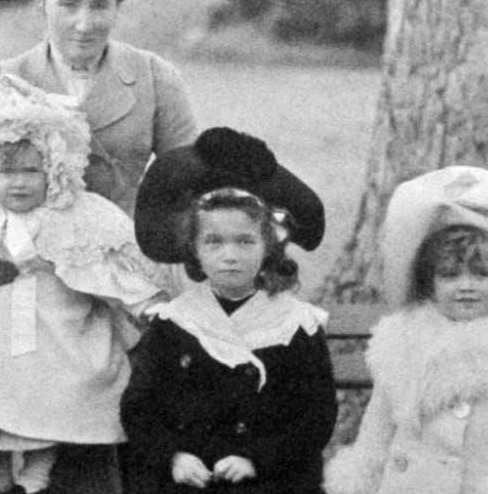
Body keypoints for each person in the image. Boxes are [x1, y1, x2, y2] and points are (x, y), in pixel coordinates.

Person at [0, 77, 166, 494]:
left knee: (63, 383)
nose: (19, 183)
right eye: (6, 172)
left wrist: (145, 304)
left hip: (58, 327)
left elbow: (107, 268)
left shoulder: (76, 215)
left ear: (53, 171)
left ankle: (40, 467)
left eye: (31, 171)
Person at [324, 166, 488, 494]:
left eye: (482, 275)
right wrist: (362, 479)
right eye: (450, 276)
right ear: (430, 285)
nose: (466, 286)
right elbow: (378, 429)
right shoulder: (402, 339)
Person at [122, 127, 337, 494]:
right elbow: (140, 408)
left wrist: (256, 458)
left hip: (270, 480)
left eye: (245, 241)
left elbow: (315, 416)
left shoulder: (294, 325)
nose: (230, 255)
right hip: (188, 479)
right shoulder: (177, 324)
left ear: (269, 246)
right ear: (195, 251)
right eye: (214, 242)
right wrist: (173, 456)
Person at [0, 0, 197, 217]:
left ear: (119, 3)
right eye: (69, 6)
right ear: (41, 1)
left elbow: (189, 189)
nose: (84, 25)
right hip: (28, 256)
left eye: (99, 6)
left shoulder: (155, 78)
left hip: (124, 250)